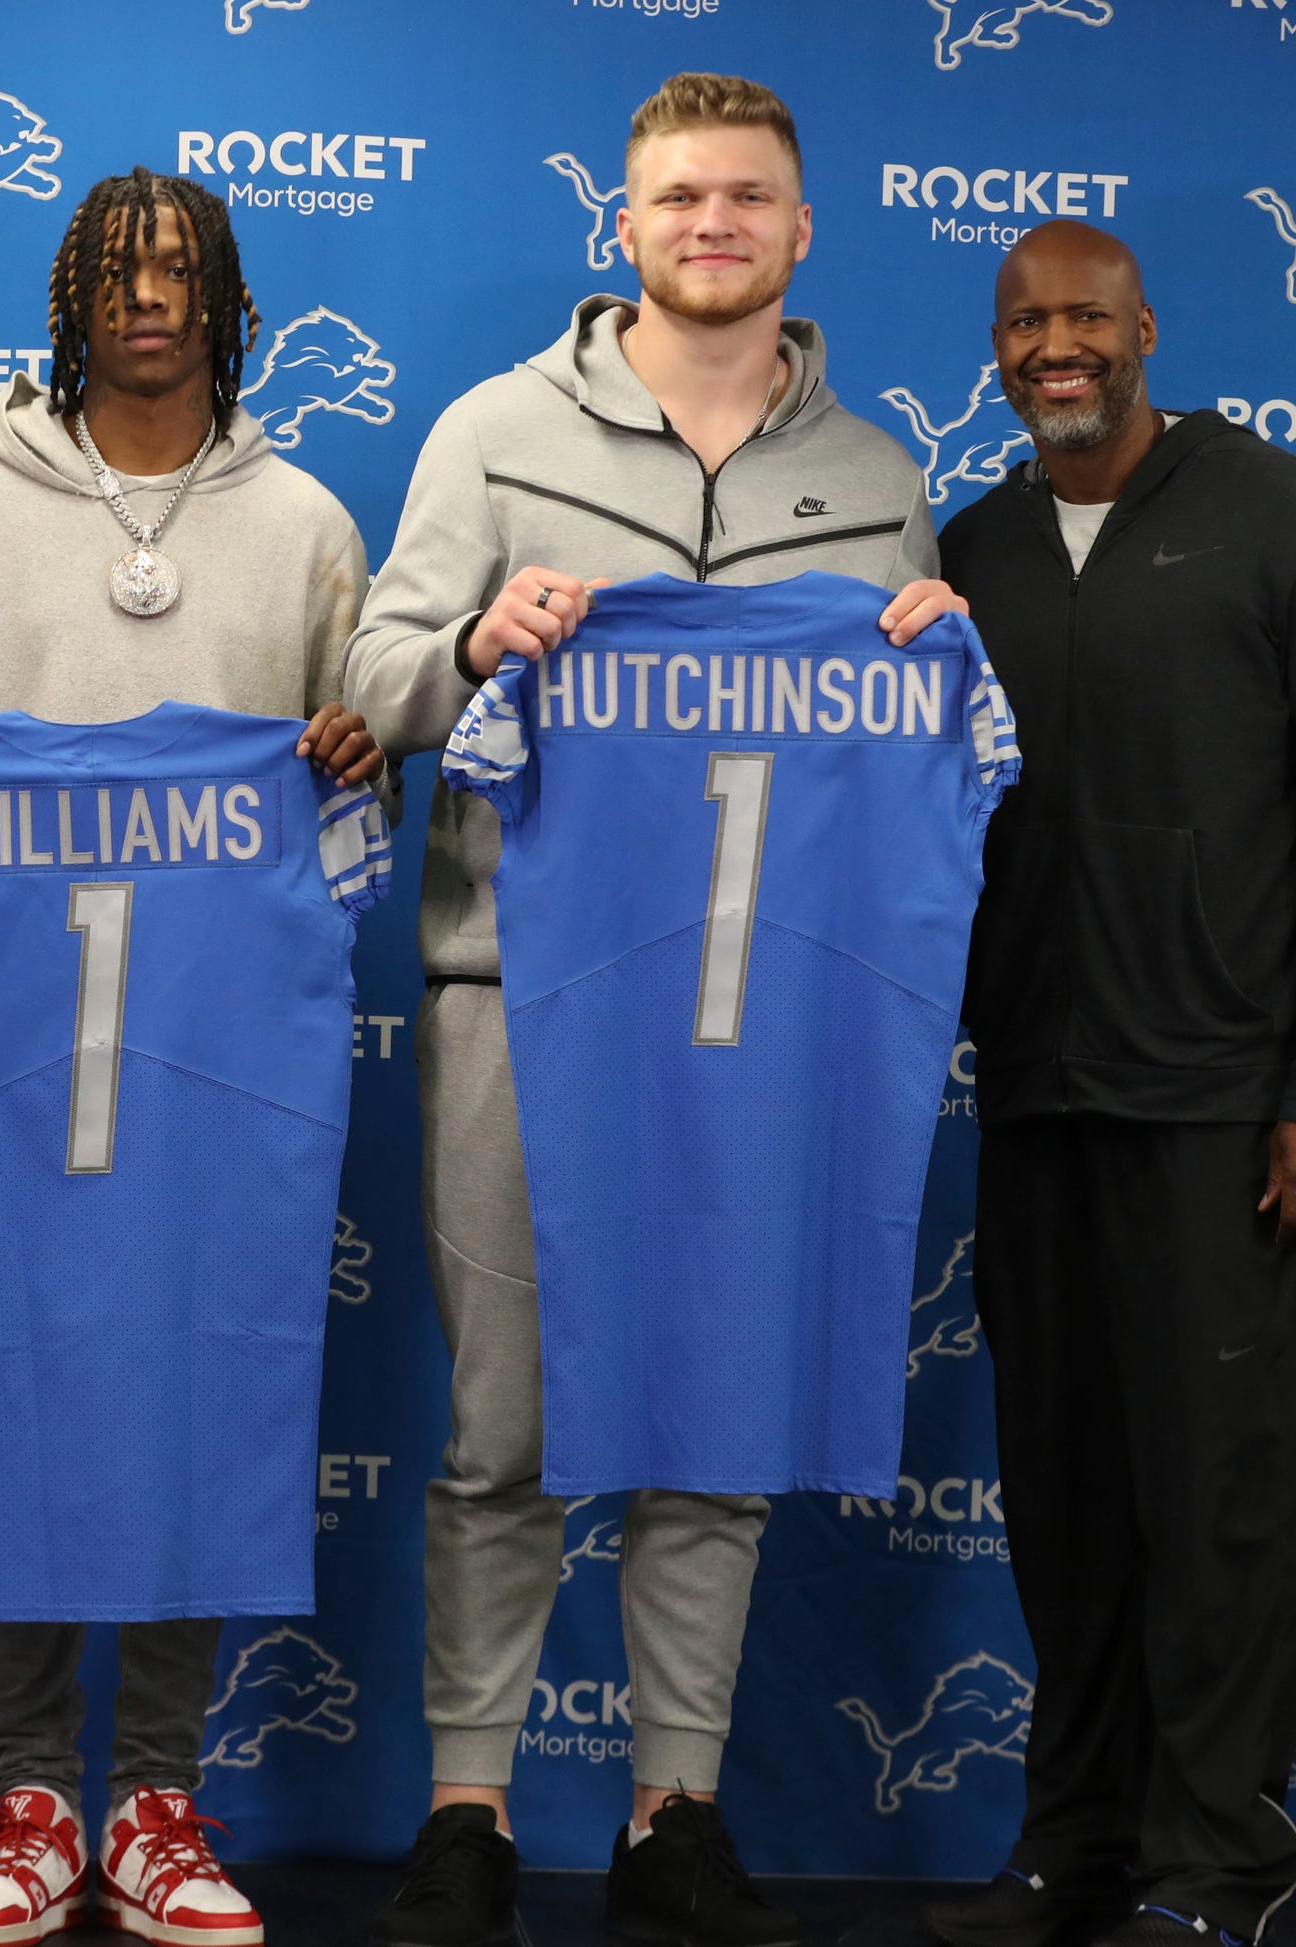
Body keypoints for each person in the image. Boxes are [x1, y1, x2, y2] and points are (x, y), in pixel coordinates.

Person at [344, 71, 969, 1947]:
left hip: (769, 1027)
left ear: (801, 229)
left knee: (716, 1417)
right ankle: (467, 1805)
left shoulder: (873, 477)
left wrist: (943, 659)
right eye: (681, 195)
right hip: (520, 998)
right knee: (508, 1424)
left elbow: (914, 765)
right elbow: (370, 683)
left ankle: (671, 1807)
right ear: (623, 225)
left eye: (749, 197)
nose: (714, 223)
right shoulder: (494, 429)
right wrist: (476, 647)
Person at [0, 165, 381, 1947]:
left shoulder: (305, 522)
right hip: (6, 1035)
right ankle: (35, 1798)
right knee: (20, 1373)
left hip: (213, 1044)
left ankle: (162, 1804)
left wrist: (356, 746)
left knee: (204, 1383)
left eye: (179, 268)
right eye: (118, 269)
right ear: (72, 295)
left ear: (224, 295)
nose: (148, 294)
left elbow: (349, 772)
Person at [925, 220, 1296, 1947]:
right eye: (1024, 325)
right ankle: (1074, 1841)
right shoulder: (971, 546)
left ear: (1146, 327)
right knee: (1068, 1511)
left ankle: (1215, 1869)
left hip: (1232, 1114)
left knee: (1219, 1515)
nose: (1056, 348)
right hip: (1039, 1103)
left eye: (1085, 318)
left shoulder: (1281, 515)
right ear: (994, 350)